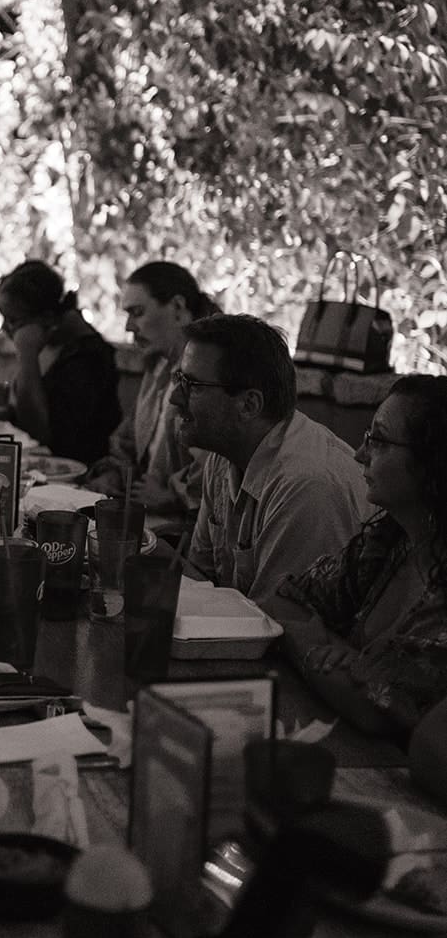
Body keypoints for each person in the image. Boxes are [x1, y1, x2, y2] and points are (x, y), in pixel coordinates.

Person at [263, 376, 447, 740]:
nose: (360, 453)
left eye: (378, 440)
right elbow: (280, 602)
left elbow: (377, 711)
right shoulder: (389, 542)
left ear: (433, 462)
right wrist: (343, 657)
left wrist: (310, 645)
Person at [172, 314, 366, 605]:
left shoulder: (306, 485)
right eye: (179, 380)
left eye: (194, 385)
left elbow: (278, 622)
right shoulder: (223, 457)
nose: (175, 397)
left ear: (249, 405)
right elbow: (200, 580)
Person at [86, 261, 216, 532]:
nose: (129, 327)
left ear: (178, 308)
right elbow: (128, 440)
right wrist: (113, 473)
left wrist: (173, 496)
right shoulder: (158, 367)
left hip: (188, 533)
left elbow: (221, 463)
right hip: (145, 519)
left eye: (138, 312)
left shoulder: (211, 374)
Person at [0, 260, 121, 465]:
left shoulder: (88, 360)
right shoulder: (53, 343)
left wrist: (27, 355)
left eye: (13, 320)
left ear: (47, 317)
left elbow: (40, 434)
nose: (5, 329)